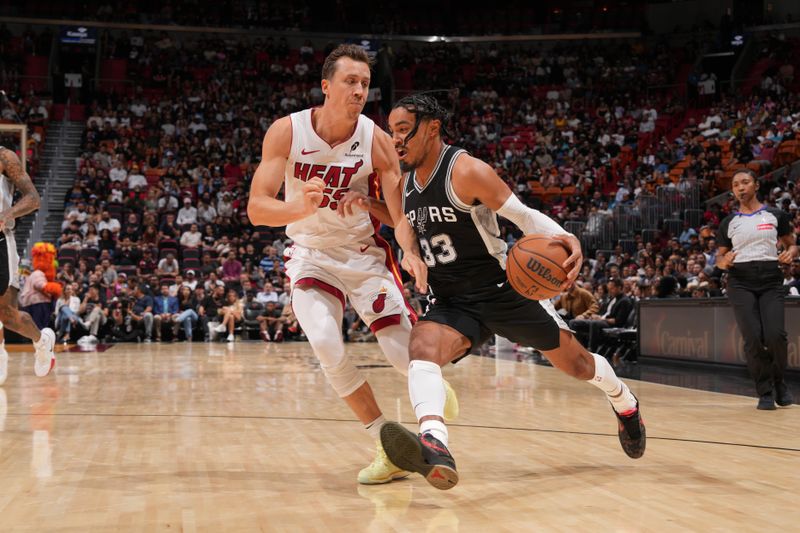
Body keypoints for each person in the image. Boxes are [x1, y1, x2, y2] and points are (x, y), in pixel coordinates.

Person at [378, 94, 645, 490]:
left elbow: (521, 215)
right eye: (392, 132)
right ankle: (434, 441)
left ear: (432, 128)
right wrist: (410, 252)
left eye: (403, 130)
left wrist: (564, 236)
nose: (396, 140)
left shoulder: (466, 170)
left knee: (577, 366)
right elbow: (404, 225)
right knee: (422, 345)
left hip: (504, 290)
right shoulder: (404, 183)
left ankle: (624, 401)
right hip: (452, 300)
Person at [246, 44, 455, 485]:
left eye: (364, 83)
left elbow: (399, 214)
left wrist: (412, 252)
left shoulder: (377, 140)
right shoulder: (287, 132)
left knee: (406, 357)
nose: (359, 90)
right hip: (310, 256)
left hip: (362, 255)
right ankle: (387, 441)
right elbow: (257, 209)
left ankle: (431, 395)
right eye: (350, 81)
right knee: (325, 341)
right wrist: (298, 207)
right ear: (326, 86)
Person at [715, 170, 798, 410]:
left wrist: (790, 253)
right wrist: (724, 262)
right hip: (740, 280)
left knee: (775, 336)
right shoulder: (729, 222)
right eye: (735, 185)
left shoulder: (775, 215)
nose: (740, 188)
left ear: (756, 185)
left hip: (771, 278)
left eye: (745, 182)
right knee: (752, 338)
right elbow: (719, 257)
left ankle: (780, 381)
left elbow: (792, 245)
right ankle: (765, 391)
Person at [0, 146, 56, 381]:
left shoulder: (5, 157)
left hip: (2, 240)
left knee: (7, 315)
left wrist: (6, 215)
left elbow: (33, 199)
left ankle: (42, 341)